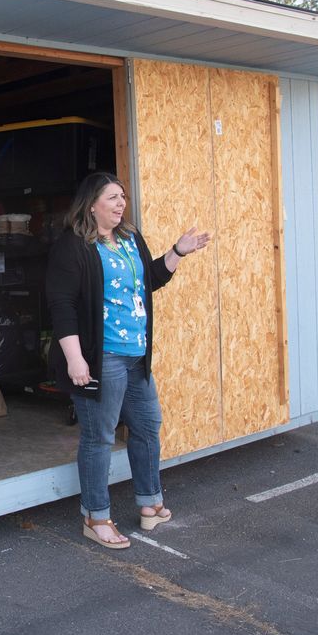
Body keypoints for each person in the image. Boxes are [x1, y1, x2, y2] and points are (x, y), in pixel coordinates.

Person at [46, 171, 209, 549]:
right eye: (112, 198)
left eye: (122, 197)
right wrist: (75, 358)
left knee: (148, 426)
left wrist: (178, 251)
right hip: (101, 357)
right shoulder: (73, 246)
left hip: (136, 355)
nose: (121, 204)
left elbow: (149, 279)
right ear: (91, 204)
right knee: (99, 437)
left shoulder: (129, 239)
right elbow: (62, 306)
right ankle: (95, 516)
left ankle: (150, 504)